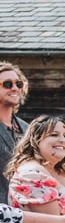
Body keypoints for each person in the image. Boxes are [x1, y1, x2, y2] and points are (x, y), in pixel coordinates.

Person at [0, 62, 28, 204]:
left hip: (26, 207)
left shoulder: (27, 129)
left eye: (18, 84)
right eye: (7, 84)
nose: (15, 88)